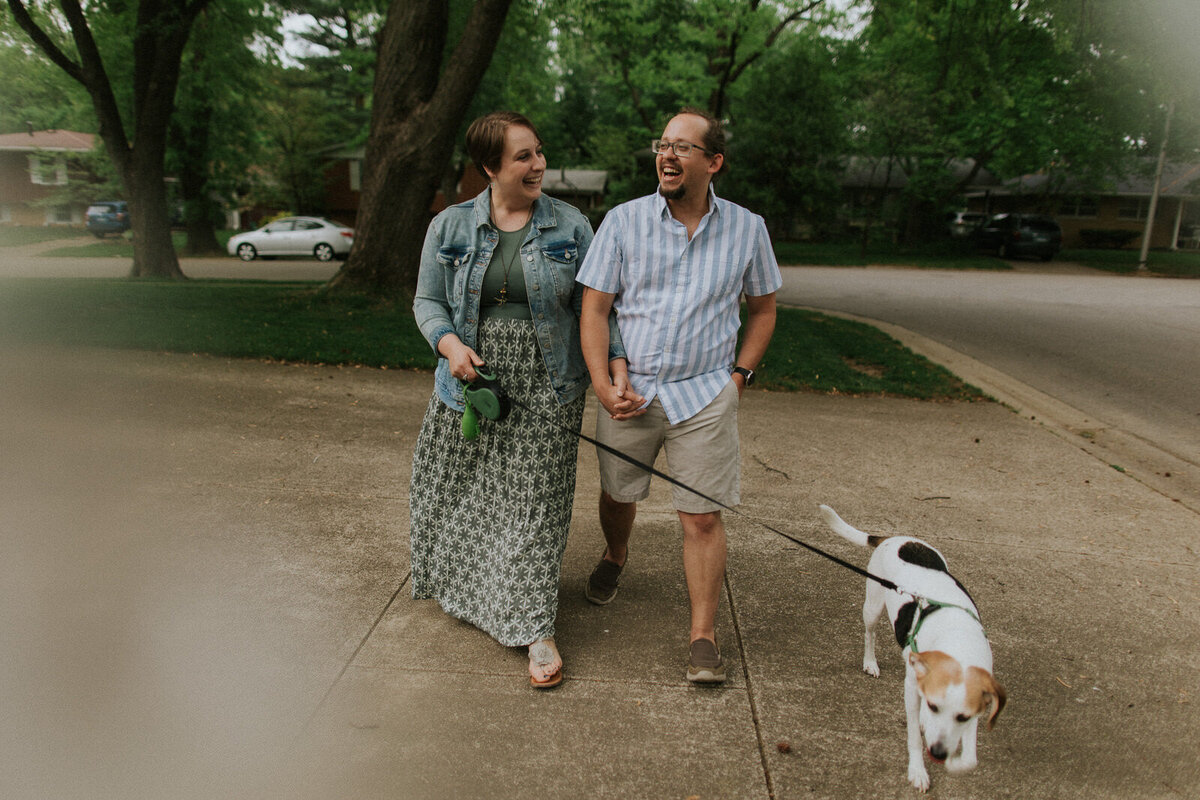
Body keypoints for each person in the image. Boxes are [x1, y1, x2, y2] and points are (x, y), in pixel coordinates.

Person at [410, 111, 622, 689]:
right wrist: (450, 345)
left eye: (539, 153)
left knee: (534, 504)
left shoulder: (571, 225)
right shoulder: (449, 227)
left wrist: (612, 371)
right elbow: (427, 302)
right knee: (456, 490)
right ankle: (476, 592)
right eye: (523, 157)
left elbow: (596, 309)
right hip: (470, 381)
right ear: (490, 167)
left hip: (549, 380)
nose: (538, 166)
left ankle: (535, 625)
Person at [576, 108, 781, 684]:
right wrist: (601, 382)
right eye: (663, 145)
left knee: (702, 519)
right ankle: (616, 556)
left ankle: (702, 635)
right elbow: (595, 307)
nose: (667, 155)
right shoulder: (622, 221)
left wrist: (738, 377)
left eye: (683, 147)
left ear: (713, 163)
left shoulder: (747, 228)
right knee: (619, 495)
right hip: (630, 392)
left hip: (705, 395)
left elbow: (763, 308)